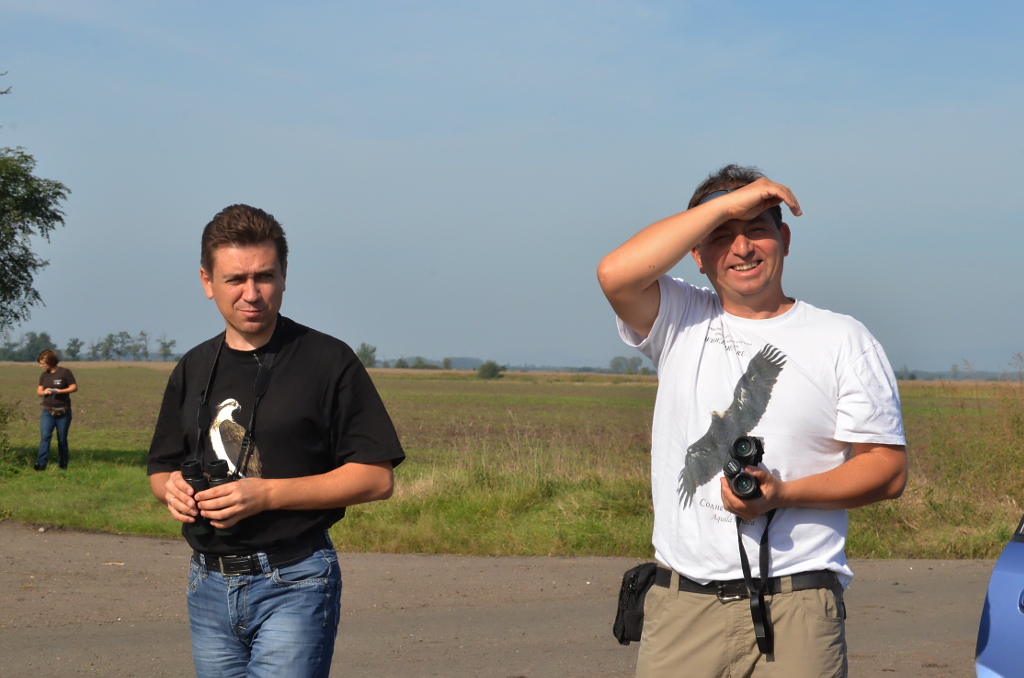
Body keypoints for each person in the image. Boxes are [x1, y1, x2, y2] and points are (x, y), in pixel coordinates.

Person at [597, 165, 907, 678]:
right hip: (683, 605)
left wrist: (781, 494)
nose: (742, 248)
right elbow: (615, 273)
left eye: (757, 230)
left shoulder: (843, 339)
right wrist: (730, 204)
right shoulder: (678, 317)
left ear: (785, 239)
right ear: (696, 253)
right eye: (721, 236)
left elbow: (888, 471)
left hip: (796, 602)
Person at [147, 204, 405, 678]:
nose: (252, 294)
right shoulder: (193, 367)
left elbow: (376, 477)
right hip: (207, 583)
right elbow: (161, 469)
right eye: (235, 279)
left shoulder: (329, 361)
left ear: (285, 276)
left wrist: (264, 495)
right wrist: (172, 491)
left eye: (264, 276)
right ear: (207, 282)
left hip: (296, 580)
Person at [35, 349, 77, 471]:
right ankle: (41, 464)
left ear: (51, 362)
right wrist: (44, 392)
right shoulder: (44, 375)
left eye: (43, 363)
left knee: (62, 439)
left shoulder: (65, 372)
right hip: (48, 410)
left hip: (63, 410)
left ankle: (63, 465)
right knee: (45, 437)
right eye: (40, 363)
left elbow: (74, 387)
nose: (41, 366)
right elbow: (39, 391)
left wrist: (59, 391)